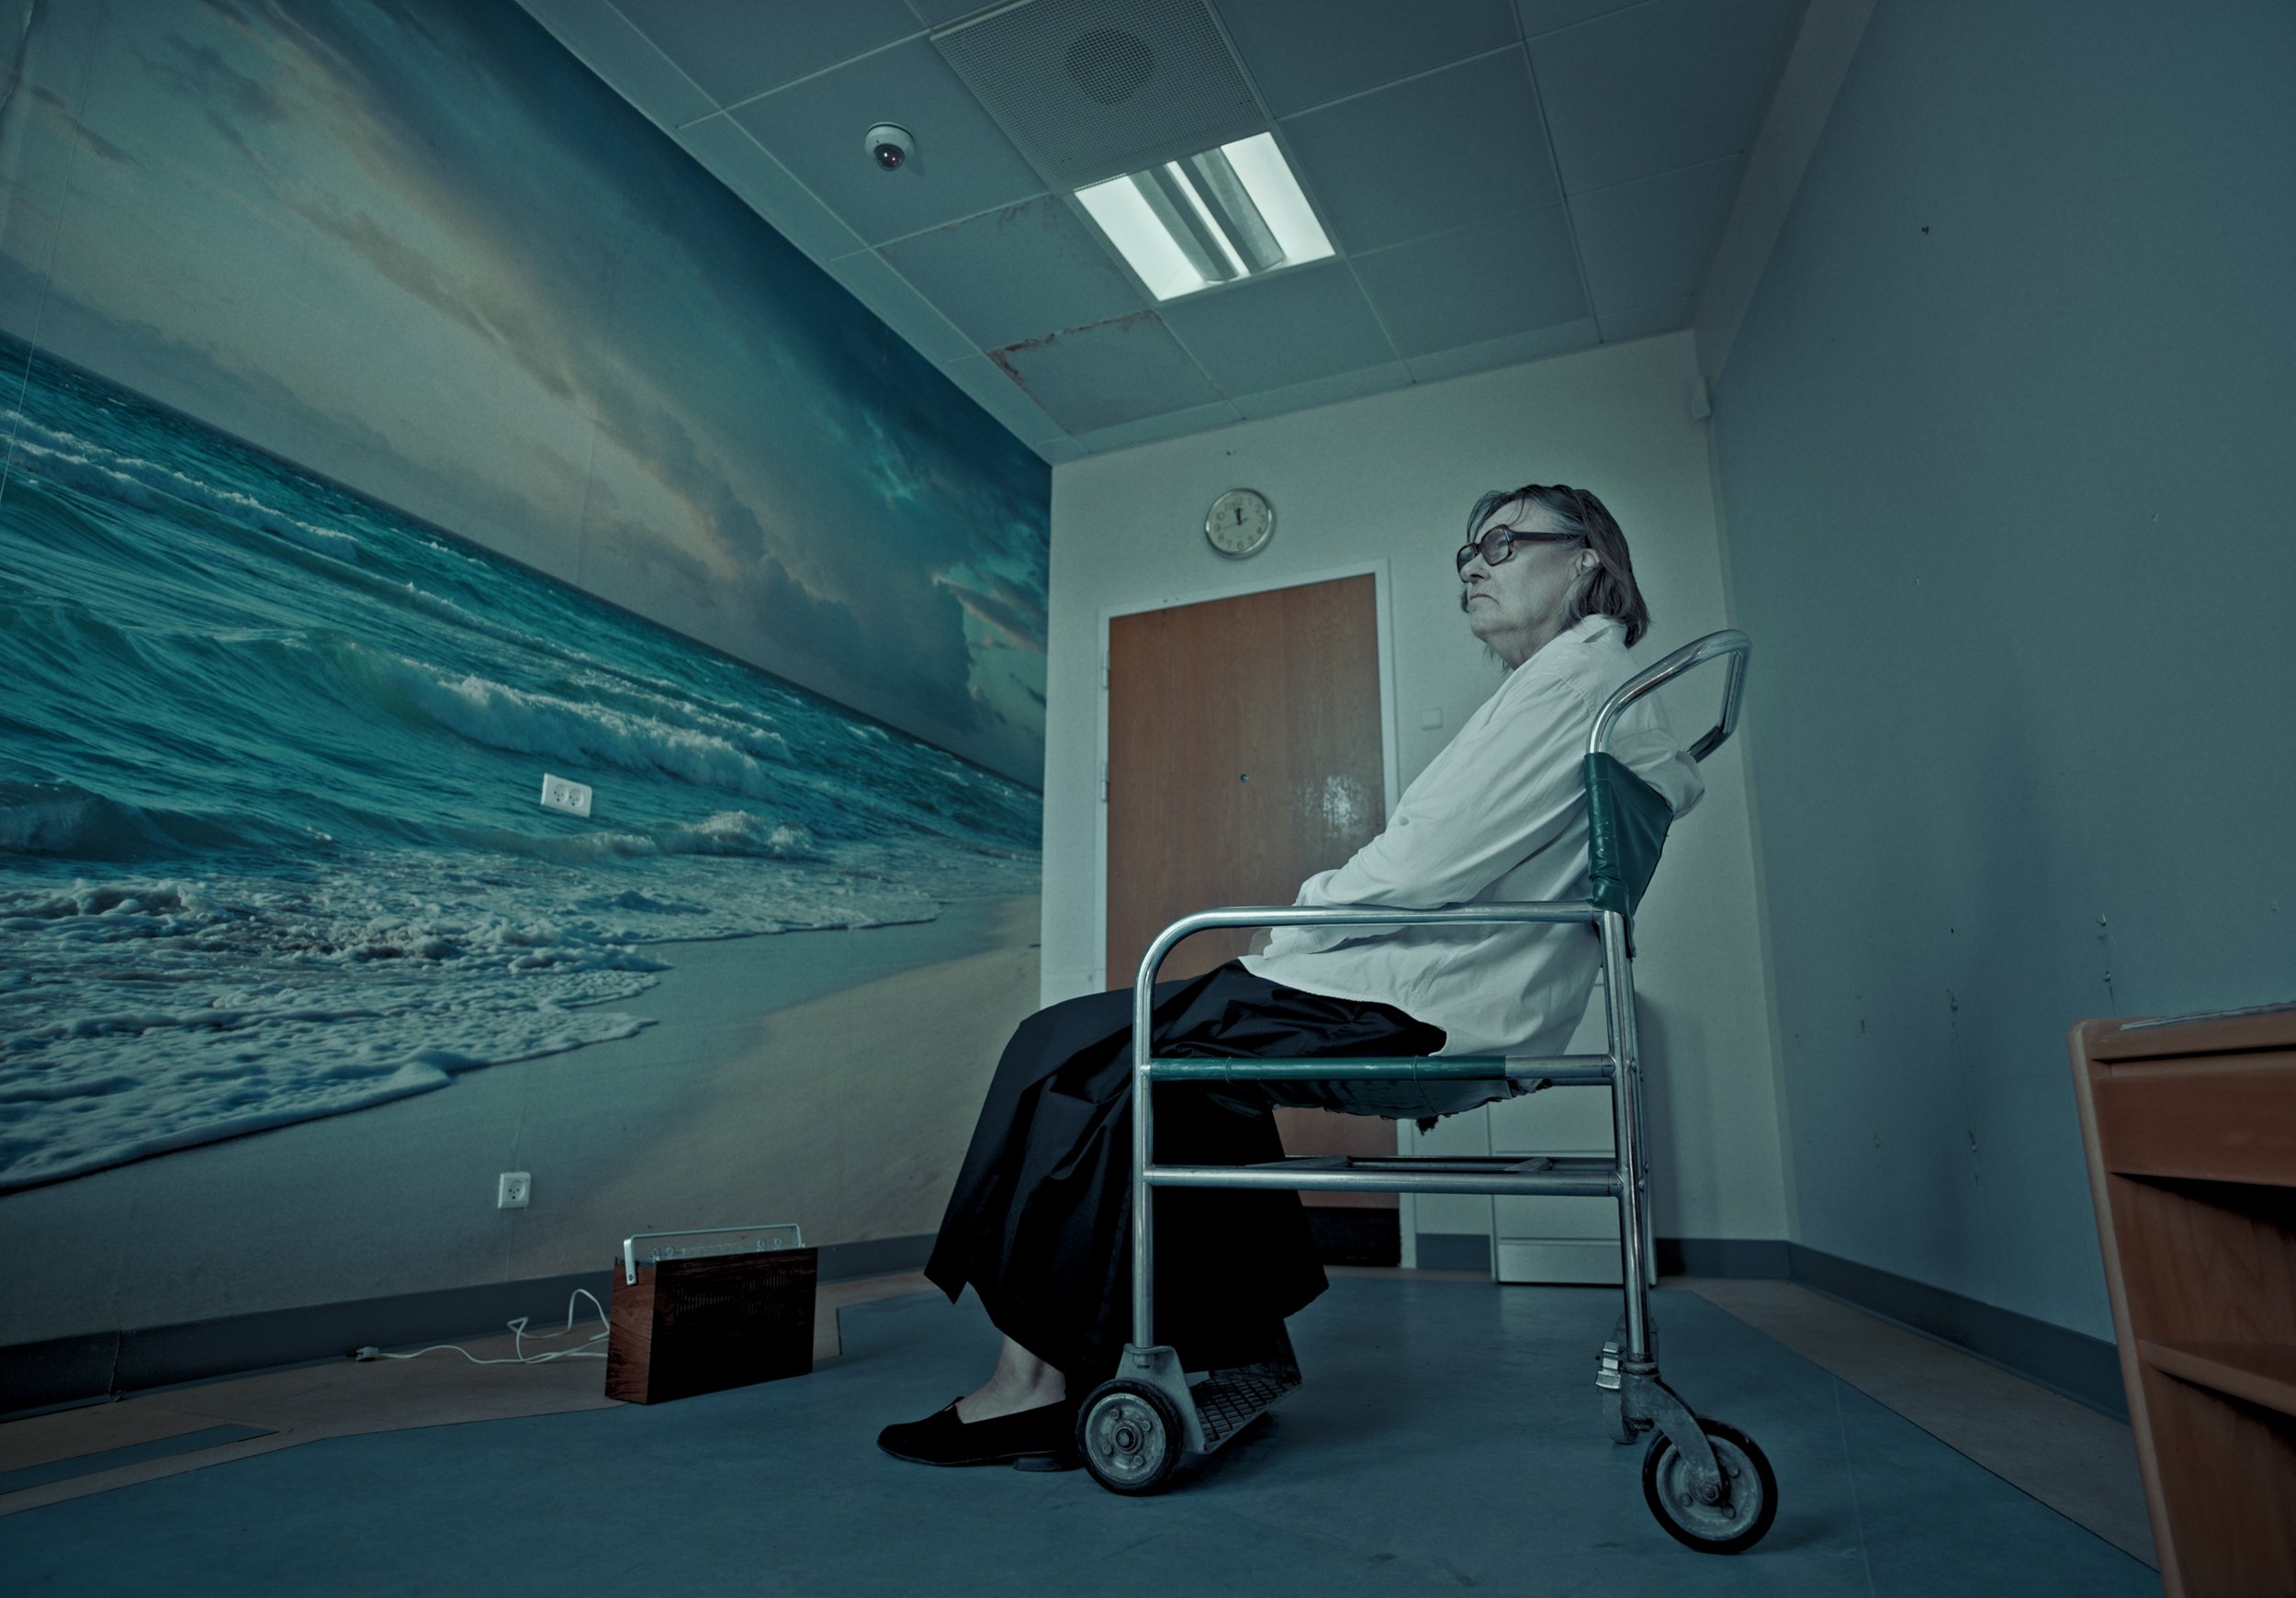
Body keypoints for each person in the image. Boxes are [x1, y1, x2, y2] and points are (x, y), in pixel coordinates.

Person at [877, 483, 1705, 1470]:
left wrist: (1296, 913)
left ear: (1586, 560)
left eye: (1501, 543)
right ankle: (1230, 1350)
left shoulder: (1571, 691)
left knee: (1070, 1052)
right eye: (1463, 553)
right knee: (1146, 1076)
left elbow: (1426, 862)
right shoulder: (1577, 690)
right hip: (1435, 993)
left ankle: (1032, 1385)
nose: (1472, 565)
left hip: (1411, 1005)